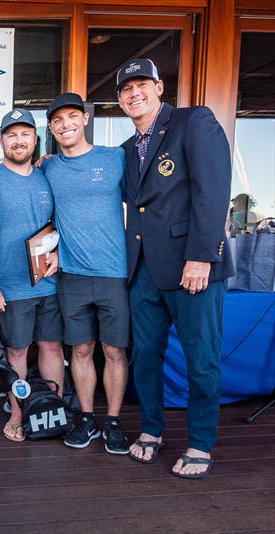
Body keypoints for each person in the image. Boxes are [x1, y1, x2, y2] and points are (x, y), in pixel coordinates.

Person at [116, 59, 234, 478]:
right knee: (145, 357)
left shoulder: (194, 121)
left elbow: (213, 190)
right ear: (119, 100)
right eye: (126, 89)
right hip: (144, 271)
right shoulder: (127, 150)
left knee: (201, 360)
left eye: (142, 85)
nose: (134, 94)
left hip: (192, 266)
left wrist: (202, 255)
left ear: (159, 87)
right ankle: (152, 429)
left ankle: (201, 442)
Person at [0, 109, 64, 441]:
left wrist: (60, 254)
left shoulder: (47, 176)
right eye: (11, 135)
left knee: (52, 347)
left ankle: (55, 410)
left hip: (50, 284)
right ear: (2, 141)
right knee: (17, 353)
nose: (18, 140)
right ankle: (20, 414)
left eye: (25, 134)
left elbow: (62, 226)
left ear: (35, 140)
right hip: (11, 289)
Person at [43, 93, 131, 455]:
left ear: (84, 120)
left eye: (72, 117)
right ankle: (87, 418)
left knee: (114, 349)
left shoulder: (115, 159)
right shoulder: (47, 166)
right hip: (72, 275)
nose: (66, 125)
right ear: (51, 128)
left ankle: (112, 421)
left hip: (114, 273)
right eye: (58, 120)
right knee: (80, 348)